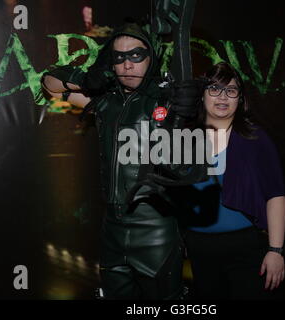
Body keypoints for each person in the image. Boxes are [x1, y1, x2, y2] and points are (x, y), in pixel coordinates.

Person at [41, 23, 205, 299]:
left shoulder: (168, 97)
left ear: (150, 57)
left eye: (136, 55)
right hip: (112, 227)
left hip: (155, 227)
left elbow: (209, 107)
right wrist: (87, 78)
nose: (128, 64)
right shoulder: (105, 101)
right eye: (119, 57)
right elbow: (49, 83)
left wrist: (192, 106)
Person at [182, 62, 285, 299]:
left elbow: (276, 196)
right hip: (199, 250)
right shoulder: (184, 139)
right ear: (202, 95)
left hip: (247, 250)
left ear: (240, 99)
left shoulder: (255, 139)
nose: (223, 96)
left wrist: (275, 250)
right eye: (215, 89)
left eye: (231, 90)